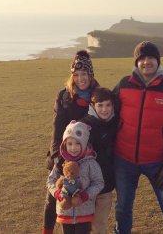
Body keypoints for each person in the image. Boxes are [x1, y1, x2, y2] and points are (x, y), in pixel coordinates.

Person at [113, 41, 163, 234]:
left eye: (151, 58)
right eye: (142, 58)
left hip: (159, 164)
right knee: (122, 211)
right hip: (124, 161)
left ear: (158, 61)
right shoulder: (123, 85)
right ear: (136, 62)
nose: (146, 62)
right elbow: (104, 111)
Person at [43, 50, 99, 234]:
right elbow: (57, 127)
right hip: (65, 151)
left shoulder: (97, 95)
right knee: (54, 197)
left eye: (84, 74)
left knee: (83, 193)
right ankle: (47, 231)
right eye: (76, 75)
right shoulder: (64, 96)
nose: (80, 78)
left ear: (91, 74)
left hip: (87, 154)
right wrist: (56, 156)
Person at [47, 121, 104, 234]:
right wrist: (57, 193)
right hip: (65, 211)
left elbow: (99, 183)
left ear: (84, 143)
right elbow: (51, 180)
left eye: (78, 143)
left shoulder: (90, 163)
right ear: (64, 145)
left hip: (84, 211)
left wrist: (85, 195)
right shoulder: (60, 162)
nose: (73, 148)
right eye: (70, 144)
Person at [80, 87, 117, 234]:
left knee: (100, 224)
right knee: (83, 225)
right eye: (100, 105)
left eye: (108, 105)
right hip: (86, 187)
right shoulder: (83, 126)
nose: (104, 109)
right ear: (92, 106)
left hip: (106, 186)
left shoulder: (116, 123)